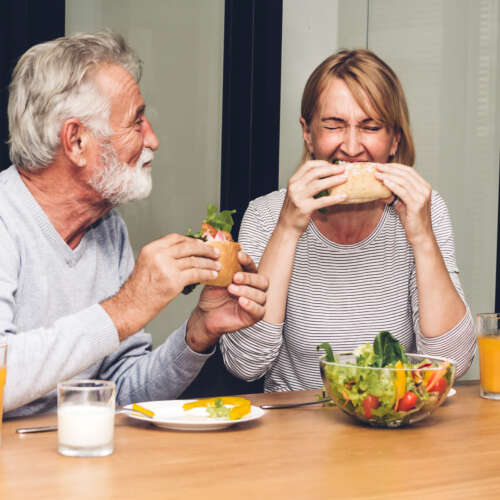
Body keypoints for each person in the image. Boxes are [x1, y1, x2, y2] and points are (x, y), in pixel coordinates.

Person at [0, 31, 268, 418]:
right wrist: (125, 308)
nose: (153, 140)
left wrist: (198, 333)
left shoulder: (108, 227)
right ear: (76, 141)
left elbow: (123, 391)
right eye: (136, 122)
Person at [220, 49, 475, 392]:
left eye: (370, 127)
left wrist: (423, 238)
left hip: (392, 423)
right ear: (308, 133)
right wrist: (288, 228)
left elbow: (452, 364)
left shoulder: (425, 211)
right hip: (294, 432)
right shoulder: (267, 214)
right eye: (333, 125)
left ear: (394, 140)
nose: (352, 147)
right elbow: (245, 364)